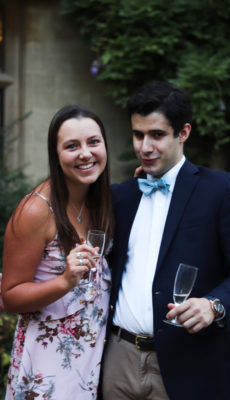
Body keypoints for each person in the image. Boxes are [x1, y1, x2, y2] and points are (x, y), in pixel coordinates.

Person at [102, 81, 230, 400]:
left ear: (184, 133)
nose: (145, 146)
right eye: (138, 135)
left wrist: (214, 305)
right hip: (118, 361)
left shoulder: (221, 191)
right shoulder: (122, 196)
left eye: (157, 135)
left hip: (190, 364)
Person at [2, 104, 113, 399]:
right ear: (56, 154)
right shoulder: (36, 210)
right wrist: (64, 281)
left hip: (90, 363)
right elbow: (10, 295)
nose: (85, 153)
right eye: (71, 146)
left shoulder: (100, 202)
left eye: (93, 142)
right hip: (45, 365)